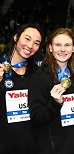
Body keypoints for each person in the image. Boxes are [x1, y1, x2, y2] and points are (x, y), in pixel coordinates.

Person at [28, 28, 74, 154]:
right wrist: (55, 103)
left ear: (73, 48)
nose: (63, 49)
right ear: (50, 48)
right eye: (58, 45)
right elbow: (36, 119)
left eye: (67, 45)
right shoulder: (39, 77)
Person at [0, 23, 43, 154]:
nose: (30, 46)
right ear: (16, 37)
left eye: (36, 43)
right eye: (27, 39)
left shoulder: (38, 74)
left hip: (32, 146)